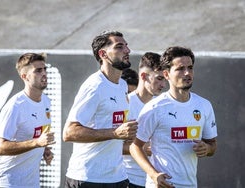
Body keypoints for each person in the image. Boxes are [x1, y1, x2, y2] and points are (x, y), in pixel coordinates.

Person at [129, 46, 218, 188]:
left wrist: (206, 148)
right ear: (166, 74)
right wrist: (153, 174)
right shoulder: (154, 108)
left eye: (190, 67)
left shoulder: (204, 105)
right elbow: (135, 147)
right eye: (180, 69)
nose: (187, 73)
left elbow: (212, 144)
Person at [62, 30, 138, 188]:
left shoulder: (123, 85)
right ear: (103, 54)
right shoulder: (94, 86)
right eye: (119, 47)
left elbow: (110, 124)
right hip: (88, 178)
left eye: (126, 46)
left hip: (117, 178)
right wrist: (115, 133)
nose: (127, 51)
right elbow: (69, 132)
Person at [0, 53, 55, 188]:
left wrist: (45, 150)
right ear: (24, 76)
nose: (44, 73)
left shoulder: (46, 101)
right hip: (7, 183)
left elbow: (37, 136)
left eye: (44, 69)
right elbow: (0, 147)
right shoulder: (15, 106)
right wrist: (37, 143)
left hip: (31, 184)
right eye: (38, 70)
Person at [123, 52, 165, 188]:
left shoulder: (162, 105)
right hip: (128, 179)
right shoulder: (125, 103)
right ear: (143, 76)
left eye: (164, 79)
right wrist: (140, 147)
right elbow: (109, 146)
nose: (163, 84)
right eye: (159, 78)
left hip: (155, 181)